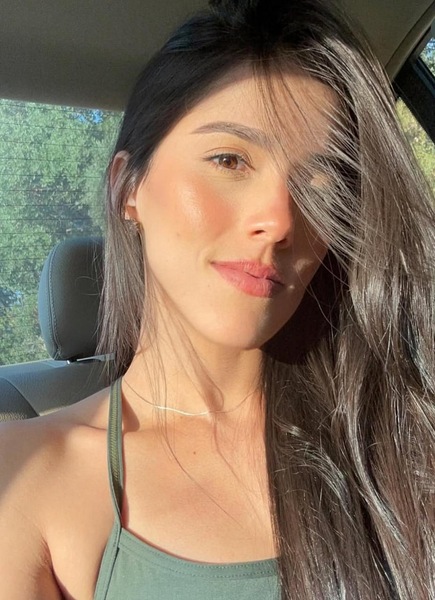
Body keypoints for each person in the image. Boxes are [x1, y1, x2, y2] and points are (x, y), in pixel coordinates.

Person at [1, 0, 434, 598]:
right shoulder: (25, 474)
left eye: (320, 183)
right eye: (229, 160)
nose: (279, 221)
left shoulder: (397, 430)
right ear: (128, 188)